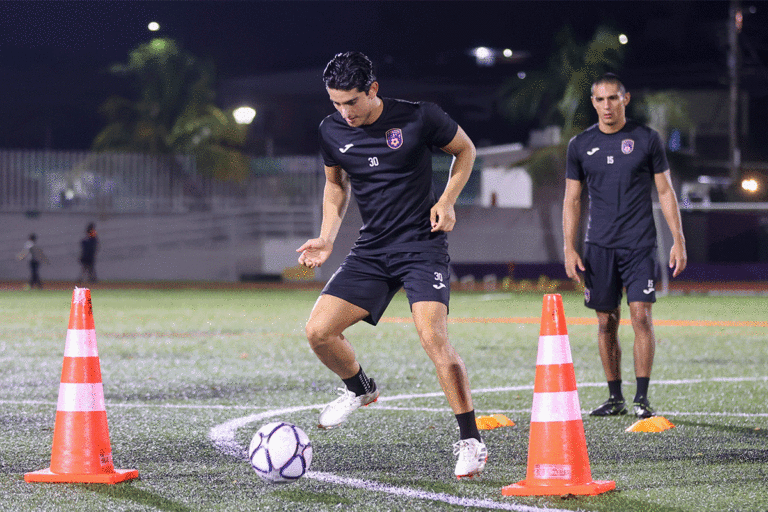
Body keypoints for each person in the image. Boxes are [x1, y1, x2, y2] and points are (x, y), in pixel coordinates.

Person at [296, 51, 486, 478]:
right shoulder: (331, 131)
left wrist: (447, 201)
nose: (344, 113)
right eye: (336, 103)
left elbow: (465, 150)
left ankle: (471, 440)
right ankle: (360, 389)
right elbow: (334, 184)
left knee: (433, 338)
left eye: (352, 102)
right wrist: (326, 238)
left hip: (422, 246)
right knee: (319, 331)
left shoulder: (420, 117)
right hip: (373, 249)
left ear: (373, 90)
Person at [562, 73, 687, 419]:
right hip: (598, 247)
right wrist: (569, 248)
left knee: (640, 316)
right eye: (600, 100)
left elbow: (665, 191)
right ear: (593, 103)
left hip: (639, 244)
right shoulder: (580, 145)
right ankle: (615, 396)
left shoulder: (647, 140)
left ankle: (641, 398)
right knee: (605, 321)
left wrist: (678, 240)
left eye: (613, 98)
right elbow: (572, 200)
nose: (607, 106)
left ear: (625, 99)